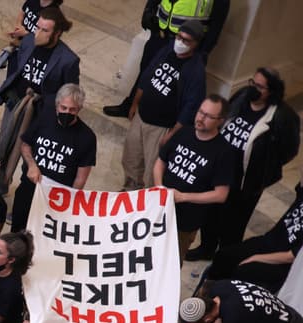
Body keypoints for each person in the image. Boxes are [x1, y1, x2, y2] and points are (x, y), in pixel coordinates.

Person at [193, 67, 300, 258]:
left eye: (259, 86)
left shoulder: (282, 117)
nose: (253, 88)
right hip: (220, 173)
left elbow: (289, 150)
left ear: (271, 91)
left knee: (233, 225)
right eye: (252, 82)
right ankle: (206, 248)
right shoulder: (242, 97)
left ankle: (224, 258)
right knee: (210, 215)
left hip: (246, 184)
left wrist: (264, 170)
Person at [118, 21, 207, 191]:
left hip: (162, 127)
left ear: (196, 44)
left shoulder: (195, 71)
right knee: (131, 157)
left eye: (186, 40)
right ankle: (130, 189)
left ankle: (147, 201)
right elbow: (147, 76)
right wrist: (135, 103)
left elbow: (191, 106)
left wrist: (172, 133)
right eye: (179, 37)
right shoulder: (167, 50)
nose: (180, 42)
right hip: (142, 115)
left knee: (153, 170)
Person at [0, 4, 78, 167]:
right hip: (15, 103)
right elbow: (19, 67)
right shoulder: (29, 40)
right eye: (37, 27)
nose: (37, 34)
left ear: (57, 34)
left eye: (45, 31)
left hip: (40, 113)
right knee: (4, 147)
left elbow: (69, 93)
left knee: (30, 156)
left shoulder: (69, 60)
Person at [155, 95, 236, 259]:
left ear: (220, 121)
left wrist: (183, 197)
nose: (201, 118)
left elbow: (220, 194)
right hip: (159, 207)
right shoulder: (184, 132)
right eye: (201, 112)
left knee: (170, 261)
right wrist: (159, 188)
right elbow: (160, 162)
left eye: (208, 116)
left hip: (185, 220)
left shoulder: (223, 152)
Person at [11, 83, 95, 231]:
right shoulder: (44, 120)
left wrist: (68, 203)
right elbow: (25, 145)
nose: (67, 112)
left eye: (72, 109)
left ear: (79, 109)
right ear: (56, 105)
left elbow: (81, 178)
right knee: (17, 230)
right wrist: (32, 165)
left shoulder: (87, 138)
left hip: (57, 200)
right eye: (63, 108)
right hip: (29, 189)